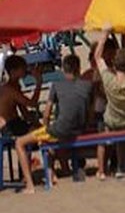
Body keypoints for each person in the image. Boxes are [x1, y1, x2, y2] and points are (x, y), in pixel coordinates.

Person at [14, 51, 93, 193]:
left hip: (61, 130)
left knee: (20, 142)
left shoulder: (56, 85)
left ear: (63, 69)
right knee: (50, 137)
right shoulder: (87, 85)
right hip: (79, 129)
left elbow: (46, 113)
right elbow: (89, 111)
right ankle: (56, 172)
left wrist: (45, 126)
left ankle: (30, 186)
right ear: (79, 68)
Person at [91, 22, 125, 178]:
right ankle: (124, 166)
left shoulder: (109, 80)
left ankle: (117, 167)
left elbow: (97, 57)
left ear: (114, 65)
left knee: (107, 128)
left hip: (112, 122)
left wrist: (104, 34)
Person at [0, 53, 44, 138]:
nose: (25, 70)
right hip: (9, 126)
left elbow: (25, 112)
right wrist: (38, 83)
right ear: (13, 71)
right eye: (23, 68)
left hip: (16, 123)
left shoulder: (15, 87)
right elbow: (32, 104)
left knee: (46, 132)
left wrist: (37, 123)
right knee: (42, 134)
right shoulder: (9, 89)